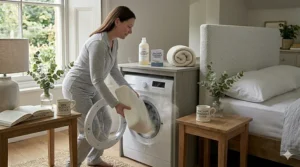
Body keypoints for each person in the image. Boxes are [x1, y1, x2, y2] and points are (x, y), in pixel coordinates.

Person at [62, 6, 137, 167]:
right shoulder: (97, 43)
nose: (130, 31)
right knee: (91, 129)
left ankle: (94, 158)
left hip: (90, 87)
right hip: (76, 87)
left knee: (106, 121)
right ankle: (71, 164)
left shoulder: (113, 43)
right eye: (129, 26)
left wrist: (130, 90)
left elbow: (114, 71)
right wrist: (115, 104)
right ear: (117, 22)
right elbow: (97, 79)